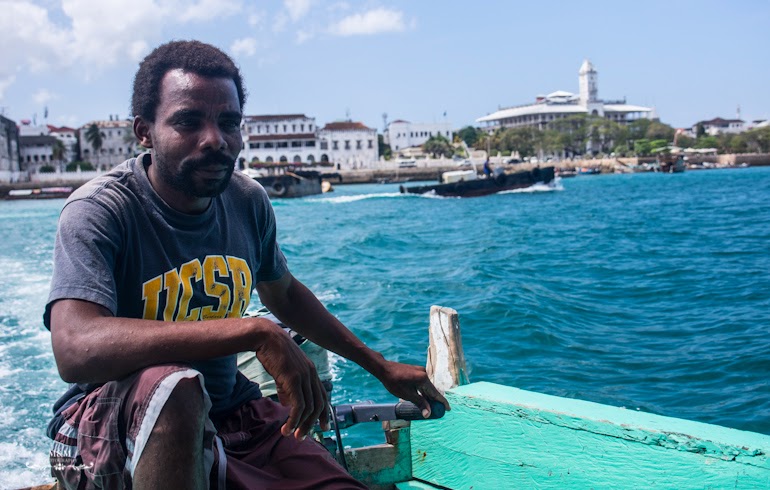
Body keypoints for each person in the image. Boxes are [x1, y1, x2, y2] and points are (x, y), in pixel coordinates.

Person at [45, 40, 449, 489]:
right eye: (188, 121)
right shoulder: (101, 210)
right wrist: (253, 330)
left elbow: (286, 294)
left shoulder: (246, 200)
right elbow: (74, 345)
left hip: (228, 410)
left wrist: (380, 366)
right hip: (105, 427)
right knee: (174, 388)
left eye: (228, 122)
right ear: (144, 131)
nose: (215, 139)